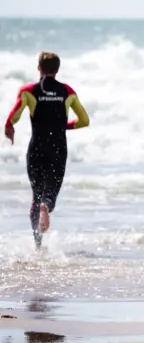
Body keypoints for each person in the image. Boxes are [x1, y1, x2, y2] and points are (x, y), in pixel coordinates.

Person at [4, 51, 90, 249]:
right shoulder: (67, 91)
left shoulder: (28, 90)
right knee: (50, 193)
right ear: (57, 70)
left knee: (35, 195)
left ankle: (38, 245)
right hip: (58, 149)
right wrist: (63, 125)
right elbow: (84, 120)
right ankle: (47, 205)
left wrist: (9, 129)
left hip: (36, 149)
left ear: (39, 68)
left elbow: (13, 117)